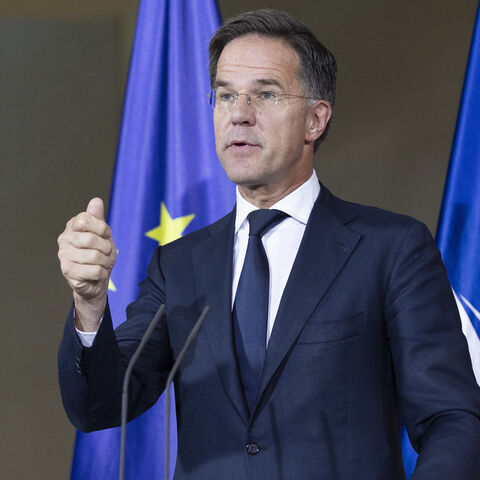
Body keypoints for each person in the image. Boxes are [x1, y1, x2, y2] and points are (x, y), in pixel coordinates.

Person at [57, 9, 480, 480]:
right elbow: (100, 406)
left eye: (265, 94)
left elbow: (452, 420)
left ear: (315, 120)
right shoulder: (179, 264)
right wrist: (90, 305)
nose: (239, 113)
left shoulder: (391, 249)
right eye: (225, 95)